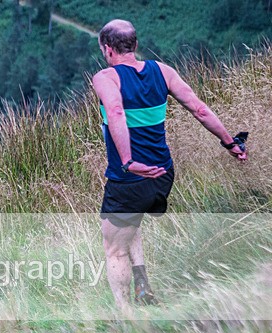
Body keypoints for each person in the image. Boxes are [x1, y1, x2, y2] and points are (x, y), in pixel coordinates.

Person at [92, 19, 248, 309]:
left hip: (129, 179)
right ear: (135, 45)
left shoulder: (106, 78)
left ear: (108, 48)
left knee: (114, 249)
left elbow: (115, 111)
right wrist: (231, 143)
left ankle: (125, 318)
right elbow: (199, 109)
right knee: (132, 221)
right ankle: (142, 287)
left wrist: (128, 162)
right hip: (163, 174)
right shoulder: (163, 71)